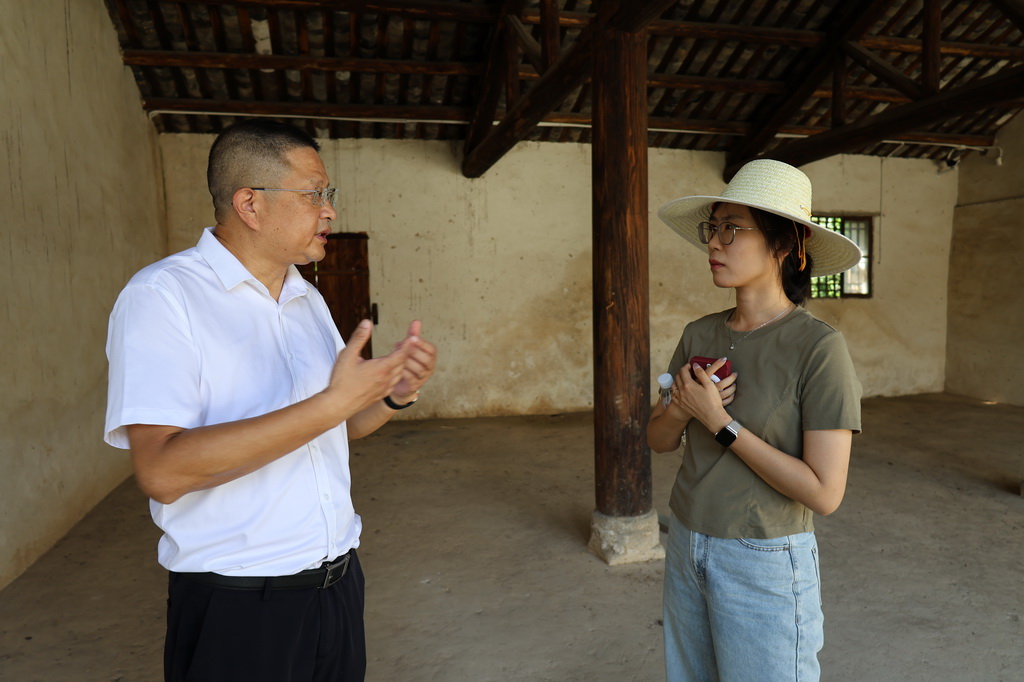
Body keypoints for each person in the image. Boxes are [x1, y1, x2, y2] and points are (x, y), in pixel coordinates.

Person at [104, 119, 437, 681]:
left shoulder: (306, 299)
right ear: (250, 204)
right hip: (240, 604)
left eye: (327, 196)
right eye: (314, 195)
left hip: (337, 584)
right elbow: (161, 470)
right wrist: (331, 406)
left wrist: (390, 399)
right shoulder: (162, 298)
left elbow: (339, 426)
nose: (329, 211)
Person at [647, 159, 863, 681]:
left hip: (763, 555)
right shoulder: (699, 333)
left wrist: (721, 423)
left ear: (784, 244)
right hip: (687, 538)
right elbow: (657, 438)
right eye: (712, 228)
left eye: (731, 229)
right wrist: (683, 407)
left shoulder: (819, 348)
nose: (714, 244)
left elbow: (824, 493)